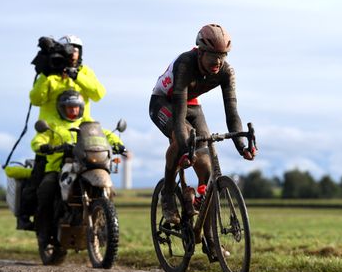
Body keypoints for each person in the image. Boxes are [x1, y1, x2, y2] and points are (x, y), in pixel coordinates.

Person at [149, 24, 256, 228]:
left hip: (192, 105)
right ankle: (168, 195)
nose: (218, 61)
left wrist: (241, 145)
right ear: (200, 51)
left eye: (222, 55)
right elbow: (179, 118)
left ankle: (207, 233)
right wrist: (186, 148)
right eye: (213, 55)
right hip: (164, 102)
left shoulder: (226, 72)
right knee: (184, 138)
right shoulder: (185, 63)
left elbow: (232, 113)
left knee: (206, 165)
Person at [17, 35, 106, 230]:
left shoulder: (85, 72)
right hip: (52, 134)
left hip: (82, 134)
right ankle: (32, 219)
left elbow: (98, 93)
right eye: (68, 49)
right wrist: (46, 74)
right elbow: (36, 99)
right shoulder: (50, 72)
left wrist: (77, 76)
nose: (72, 53)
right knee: (41, 182)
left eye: (76, 49)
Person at [32, 90, 124, 250]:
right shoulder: (52, 123)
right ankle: (44, 234)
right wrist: (44, 146)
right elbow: (38, 140)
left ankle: (103, 227)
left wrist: (116, 143)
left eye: (76, 107)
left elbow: (106, 134)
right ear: (62, 108)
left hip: (85, 165)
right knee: (46, 189)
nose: (73, 110)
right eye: (69, 107)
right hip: (58, 166)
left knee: (109, 190)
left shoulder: (87, 123)